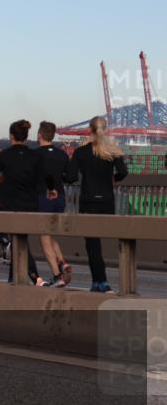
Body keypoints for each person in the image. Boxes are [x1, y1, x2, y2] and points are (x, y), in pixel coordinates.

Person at [66, 116, 128, 293]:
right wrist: (113, 179)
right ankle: (113, 281)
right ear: (105, 130)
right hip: (107, 201)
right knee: (118, 240)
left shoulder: (81, 152)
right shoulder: (113, 151)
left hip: (88, 201)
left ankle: (100, 282)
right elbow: (123, 172)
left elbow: (70, 177)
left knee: (92, 244)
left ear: (89, 131)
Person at [0, 120, 47, 286]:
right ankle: (15, 279)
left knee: (17, 240)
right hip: (31, 204)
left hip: (10, 204)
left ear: (11, 136)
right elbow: (43, 182)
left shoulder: (3, 156)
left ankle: (35, 277)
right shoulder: (36, 156)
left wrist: (1, 177)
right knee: (19, 240)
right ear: (26, 137)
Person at [36, 121, 73, 287]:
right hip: (60, 199)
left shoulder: (36, 154)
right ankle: (63, 262)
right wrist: (59, 178)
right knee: (50, 235)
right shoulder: (62, 155)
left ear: (39, 135)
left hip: (44, 197)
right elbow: (71, 177)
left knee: (44, 239)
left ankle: (57, 276)